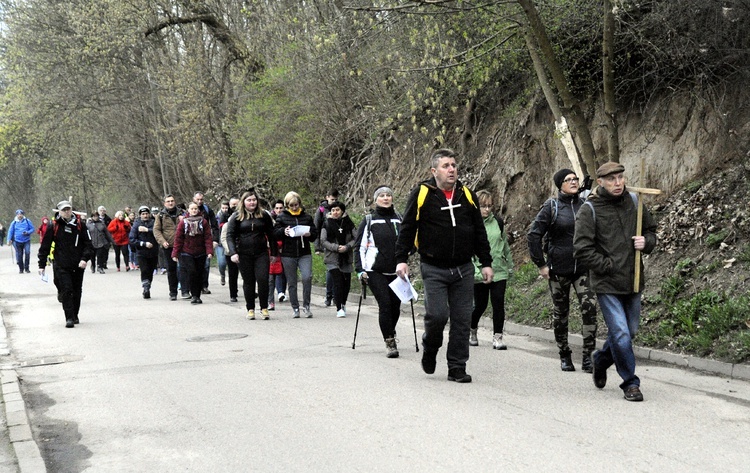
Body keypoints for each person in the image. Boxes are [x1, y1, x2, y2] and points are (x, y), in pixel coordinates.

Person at [395, 148, 493, 383]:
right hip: (434, 267)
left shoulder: (466, 194)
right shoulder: (422, 194)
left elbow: (479, 231)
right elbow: (407, 228)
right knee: (437, 316)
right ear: (434, 171)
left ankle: (457, 367)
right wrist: (401, 258)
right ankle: (431, 347)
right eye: (446, 166)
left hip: (463, 267)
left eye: (454, 165)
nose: (452, 169)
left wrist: (486, 262)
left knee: (461, 319)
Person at [573, 161, 657, 402]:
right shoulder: (590, 209)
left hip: (633, 279)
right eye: (611, 180)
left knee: (629, 332)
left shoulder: (633, 201)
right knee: (620, 333)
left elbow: (651, 230)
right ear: (600, 182)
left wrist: (647, 242)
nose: (618, 183)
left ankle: (600, 360)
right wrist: (606, 266)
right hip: (607, 282)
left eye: (620, 178)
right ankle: (630, 383)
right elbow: (581, 248)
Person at [527, 168, 598, 372]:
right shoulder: (552, 207)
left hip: (583, 269)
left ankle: (588, 357)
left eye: (575, 178)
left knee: (590, 309)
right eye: (568, 180)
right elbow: (533, 235)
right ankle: (564, 354)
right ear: (560, 185)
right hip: (558, 270)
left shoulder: (586, 205)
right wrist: (541, 264)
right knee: (561, 313)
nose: (574, 182)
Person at [354, 186, 403, 357]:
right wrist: (360, 270)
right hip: (374, 271)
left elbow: (407, 242)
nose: (386, 198)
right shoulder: (369, 220)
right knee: (385, 305)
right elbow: (359, 247)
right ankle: (389, 341)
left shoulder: (399, 219)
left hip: (396, 271)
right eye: (381, 196)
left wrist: (407, 254)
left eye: (388, 195)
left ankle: (390, 329)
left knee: (396, 307)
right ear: (376, 200)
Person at [38, 201, 94, 328]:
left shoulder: (81, 225)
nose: (66, 212)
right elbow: (45, 246)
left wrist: (85, 259)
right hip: (61, 264)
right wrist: (41, 264)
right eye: (64, 210)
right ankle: (69, 317)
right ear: (59, 211)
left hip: (78, 264)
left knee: (76, 290)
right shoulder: (54, 226)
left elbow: (89, 245)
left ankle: (75, 315)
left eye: (68, 209)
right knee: (66, 290)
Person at [470, 190, 513, 350]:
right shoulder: (471, 225)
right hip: (480, 272)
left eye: (489, 206)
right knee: (480, 305)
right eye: (483, 206)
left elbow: (504, 245)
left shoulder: (498, 222)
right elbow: (468, 251)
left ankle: (498, 337)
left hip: (499, 270)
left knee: (498, 304)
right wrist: (475, 271)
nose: (487, 209)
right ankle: (472, 329)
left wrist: (509, 265)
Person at [226, 190, 277, 319]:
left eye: (254, 200)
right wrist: (233, 252)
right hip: (244, 254)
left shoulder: (264, 215)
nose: (252, 202)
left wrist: (274, 253)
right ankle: (250, 308)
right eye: (249, 200)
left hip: (261, 253)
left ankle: (264, 307)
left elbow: (272, 235)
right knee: (248, 282)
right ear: (243, 202)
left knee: (263, 279)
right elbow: (230, 236)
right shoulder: (237, 217)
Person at [274, 191, 317, 318]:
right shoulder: (282, 217)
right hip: (288, 253)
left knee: (306, 277)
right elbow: (275, 233)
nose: (294, 208)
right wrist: (283, 231)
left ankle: (307, 305)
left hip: (304, 253)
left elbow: (315, 234)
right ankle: (295, 307)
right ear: (287, 205)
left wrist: (310, 234)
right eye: (291, 205)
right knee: (292, 281)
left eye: (296, 205)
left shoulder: (306, 217)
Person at [320, 201, 357, 318]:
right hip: (332, 257)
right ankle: (339, 307)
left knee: (346, 283)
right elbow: (323, 240)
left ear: (342, 211)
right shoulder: (326, 223)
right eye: (333, 210)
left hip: (346, 257)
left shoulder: (348, 223)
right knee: (338, 281)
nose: (335, 212)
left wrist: (347, 247)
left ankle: (343, 303)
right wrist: (336, 247)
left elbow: (356, 238)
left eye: (337, 210)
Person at [172, 202, 214, 304]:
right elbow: (178, 238)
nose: (194, 210)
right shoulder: (183, 223)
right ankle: (193, 295)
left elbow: (208, 237)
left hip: (200, 252)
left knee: (199, 273)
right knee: (192, 272)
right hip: (187, 252)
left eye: (196, 209)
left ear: (198, 210)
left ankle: (197, 296)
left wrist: (209, 251)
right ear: (188, 210)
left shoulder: (203, 222)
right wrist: (175, 253)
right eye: (192, 209)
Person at [313, 189, 339, 306]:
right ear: (327, 197)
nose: (334, 201)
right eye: (332, 199)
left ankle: (336, 295)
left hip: (338, 243)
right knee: (330, 270)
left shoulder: (339, 209)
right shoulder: (321, 210)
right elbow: (316, 228)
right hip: (326, 242)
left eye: (336, 199)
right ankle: (329, 296)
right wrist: (317, 247)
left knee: (338, 270)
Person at [154, 194, 182, 300]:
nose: (170, 203)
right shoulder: (160, 216)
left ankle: (185, 290)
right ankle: (173, 292)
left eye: (172, 201)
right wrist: (162, 241)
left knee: (184, 269)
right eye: (168, 201)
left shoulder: (182, 213)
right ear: (164, 203)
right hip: (168, 246)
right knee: (171, 269)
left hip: (182, 245)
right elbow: (156, 230)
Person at [192, 192, 220, 294]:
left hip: (205, 241)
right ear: (193, 199)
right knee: (193, 266)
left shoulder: (207, 210)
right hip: (191, 243)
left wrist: (215, 240)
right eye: (197, 199)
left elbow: (214, 225)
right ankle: (193, 286)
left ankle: (204, 286)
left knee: (206, 264)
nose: (199, 201)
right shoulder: (189, 210)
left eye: (201, 200)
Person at [129, 205, 160, 299]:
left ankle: (148, 286)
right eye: (143, 214)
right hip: (141, 252)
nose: (145, 216)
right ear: (140, 215)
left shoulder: (154, 223)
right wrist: (143, 243)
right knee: (144, 270)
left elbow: (158, 233)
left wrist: (147, 230)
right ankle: (146, 288)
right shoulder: (136, 224)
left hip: (153, 252)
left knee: (150, 271)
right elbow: (131, 239)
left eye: (146, 213)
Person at [267, 199, 287, 308]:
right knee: (270, 278)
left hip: (284, 251)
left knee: (282, 273)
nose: (279, 210)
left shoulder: (287, 219)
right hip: (271, 252)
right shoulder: (269, 220)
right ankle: (270, 301)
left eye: (281, 208)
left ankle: (281, 292)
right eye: (277, 208)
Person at [7, 209, 35, 273]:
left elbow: (32, 229)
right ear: (16, 215)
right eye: (18, 214)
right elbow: (10, 231)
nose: (19, 215)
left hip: (26, 240)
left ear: (23, 214)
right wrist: (9, 239)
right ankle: (21, 269)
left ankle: (27, 268)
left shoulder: (27, 221)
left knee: (27, 253)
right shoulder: (14, 222)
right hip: (17, 241)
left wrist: (27, 232)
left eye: (21, 214)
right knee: (20, 255)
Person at [215, 200, 231, 286]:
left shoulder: (230, 217)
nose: (225, 210)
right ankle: (222, 274)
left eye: (226, 208)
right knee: (222, 263)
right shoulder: (217, 218)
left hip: (229, 242)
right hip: (220, 243)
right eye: (223, 208)